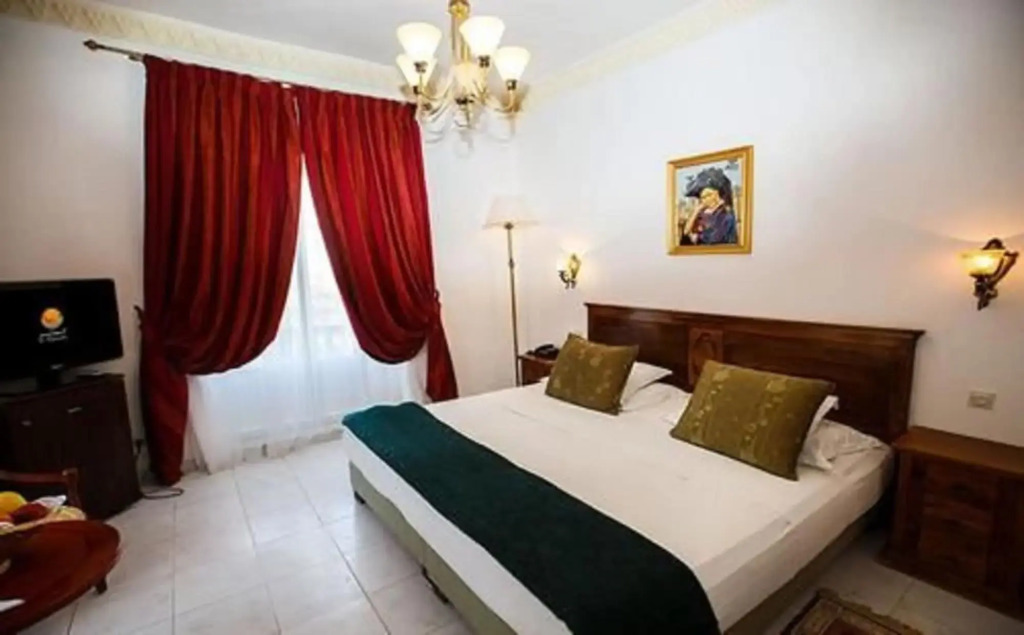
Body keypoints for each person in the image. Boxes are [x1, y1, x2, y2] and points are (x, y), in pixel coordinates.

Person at [680, 167, 738, 246]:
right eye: (703, 197)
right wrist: (696, 210)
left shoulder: (726, 213)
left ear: (717, 194)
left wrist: (697, 237)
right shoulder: (703, 212)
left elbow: (715, 238)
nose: (706, 200)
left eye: (709, 195)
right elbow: (686, 232)